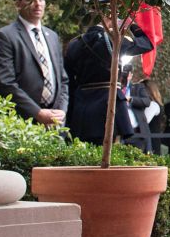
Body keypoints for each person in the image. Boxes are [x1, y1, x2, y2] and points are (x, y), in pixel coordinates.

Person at [64, 15, 154, 147]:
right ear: (109, 17)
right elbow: (147, 43)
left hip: (81, 108)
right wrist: (131, 24)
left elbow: (69, 81)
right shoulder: (114, 40)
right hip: (108, 106)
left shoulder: (74, 44)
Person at [0, 0, 68, 127]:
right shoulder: (6, 36)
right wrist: (37, 113)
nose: (37, 4)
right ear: (18, 5)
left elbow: (63, 80)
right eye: (30, 0)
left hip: (54, 123)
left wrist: (61, 111)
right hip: (22, 123)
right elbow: (5, 83)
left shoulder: (52, 36)